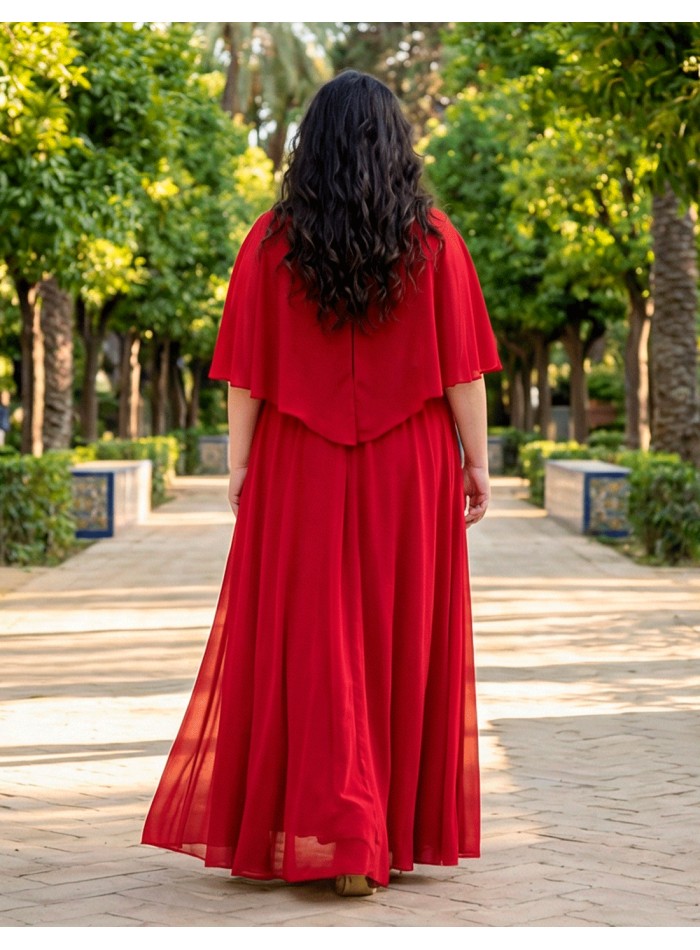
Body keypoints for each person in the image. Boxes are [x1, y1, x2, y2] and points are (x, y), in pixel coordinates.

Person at [141, 70, 502, 898]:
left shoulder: (271, 242)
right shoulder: (436, 242)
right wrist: (476, 462)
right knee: (394, 634)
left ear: (312, 145)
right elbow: (464, 371)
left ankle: (336, 826)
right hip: (408, 464)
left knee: (312, 639)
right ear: (395, 144)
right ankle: (374, 831)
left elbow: (245, 375)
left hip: (297, 459)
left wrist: (238, 464)